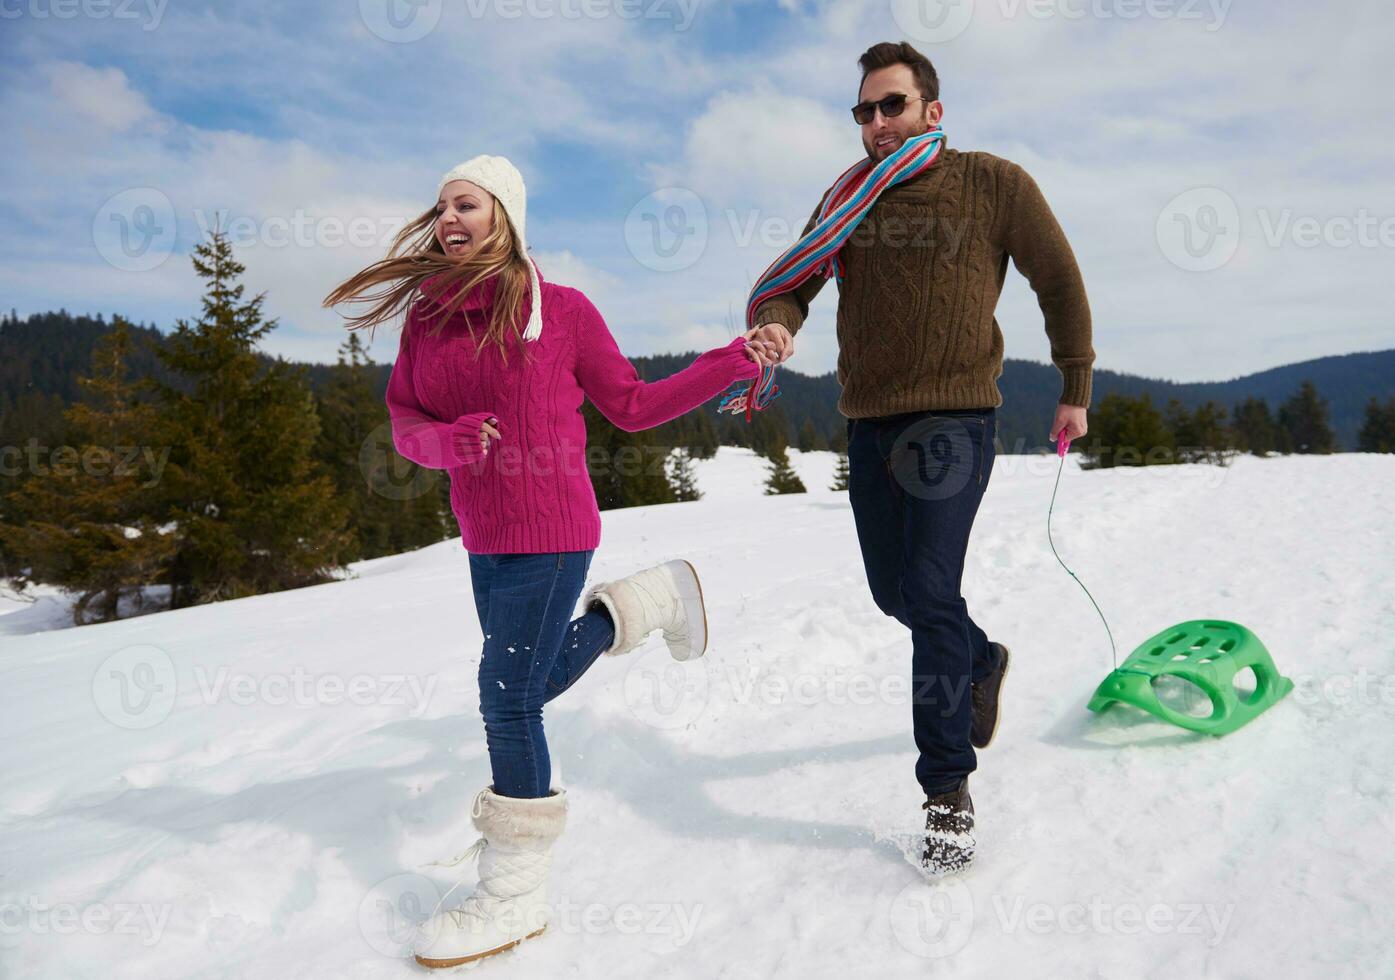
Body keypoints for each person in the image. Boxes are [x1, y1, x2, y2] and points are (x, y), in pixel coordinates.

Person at [323, 154, 776, 966]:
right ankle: (637, 606)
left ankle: (513, 894)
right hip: (483, 534)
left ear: (504, 214)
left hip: (556, 528)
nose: (447, 218)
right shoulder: (426, 320)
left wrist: (733, 359)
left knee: (508, 700)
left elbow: (632, 406)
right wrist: (447, 440)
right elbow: (404, 422)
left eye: (465, 202)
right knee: (524, 683)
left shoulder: (560, 312)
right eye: (440, 206)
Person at [744, 42, 1096, 875]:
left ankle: (945, 792)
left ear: (931, 111)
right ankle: (978, 657)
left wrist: (1074, 384)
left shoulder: (992, 183)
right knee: (894, 593)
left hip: (954, 418)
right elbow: (794, 278)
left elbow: (1058, 280)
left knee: (929, 589)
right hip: (869, 422)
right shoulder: (845, 198)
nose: (874, 124)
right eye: (863, 111)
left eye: (890, 106)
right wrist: (779, 320)